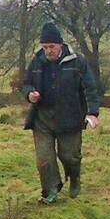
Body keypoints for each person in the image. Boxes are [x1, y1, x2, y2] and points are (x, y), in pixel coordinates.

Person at [21, 22, 100, 204]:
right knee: (44, 158)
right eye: (45, 46)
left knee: (69, 155)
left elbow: (90, 88)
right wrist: (29, 94)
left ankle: (74, 177)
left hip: (70, 116)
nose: (48, 51)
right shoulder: (36, 61)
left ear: (61, 45)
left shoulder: (77, 61)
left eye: (52, 47)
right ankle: (50, 190)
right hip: (42, 118)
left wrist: (92, 113)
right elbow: (26, 83)